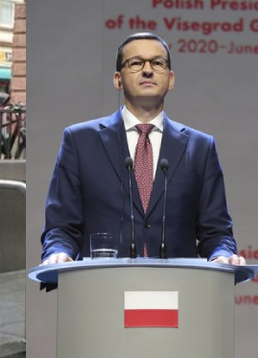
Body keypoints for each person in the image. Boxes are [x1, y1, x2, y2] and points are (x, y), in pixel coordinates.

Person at [41, 32, 244, 266]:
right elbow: (61, 227)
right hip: (103, 289)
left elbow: (217, 232)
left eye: (157, 63)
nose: (147, 70)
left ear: (171, 79)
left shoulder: (200, 147)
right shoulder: (80, 141)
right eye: (136, 63)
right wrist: (58, 253)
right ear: (117, 79)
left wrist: (221, 255)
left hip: (178, 292)